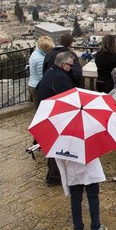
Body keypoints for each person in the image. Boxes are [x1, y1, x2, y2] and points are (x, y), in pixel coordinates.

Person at [37, 50, 78, 186]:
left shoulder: (51, 72)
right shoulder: (61, 78)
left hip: (47, 113)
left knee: (54, 145)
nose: (72, 68)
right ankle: (55, 177)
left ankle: (54, 175)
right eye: (71, 66)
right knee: (57, 146)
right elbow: (69, 98)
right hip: (55, 116)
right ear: (64, 65)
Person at [54, 155, 107, 230]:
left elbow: (60, 161)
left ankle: (77, 229)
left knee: (75, 201)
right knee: (93, 198)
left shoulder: (62, 143)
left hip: (73, 174)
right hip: (90, 171)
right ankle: (96, 227)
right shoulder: (88, 141)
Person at [28, 36, 54, 108]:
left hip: (32, 83)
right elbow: (41, 77)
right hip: (37, 86)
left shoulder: (35, 53)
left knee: (38, 106)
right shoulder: (40, 59)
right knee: (40, 108)